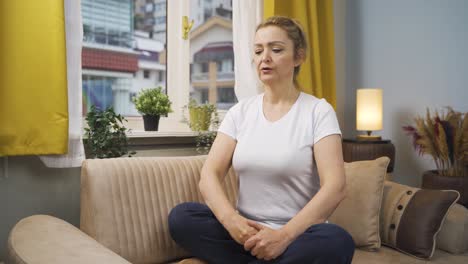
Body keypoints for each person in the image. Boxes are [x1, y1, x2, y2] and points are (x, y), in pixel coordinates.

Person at [169, 16, 355, 264]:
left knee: (336, 241)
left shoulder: (318, 111)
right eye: (258, 50)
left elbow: (335, 186)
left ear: (298, 57)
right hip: (246, 236)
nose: (264, 57)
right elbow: (209, 176)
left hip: (297, 236)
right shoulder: (240, 112)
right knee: (182, 217)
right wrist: (232, 221)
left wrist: (283, 237)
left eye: (276, 49)